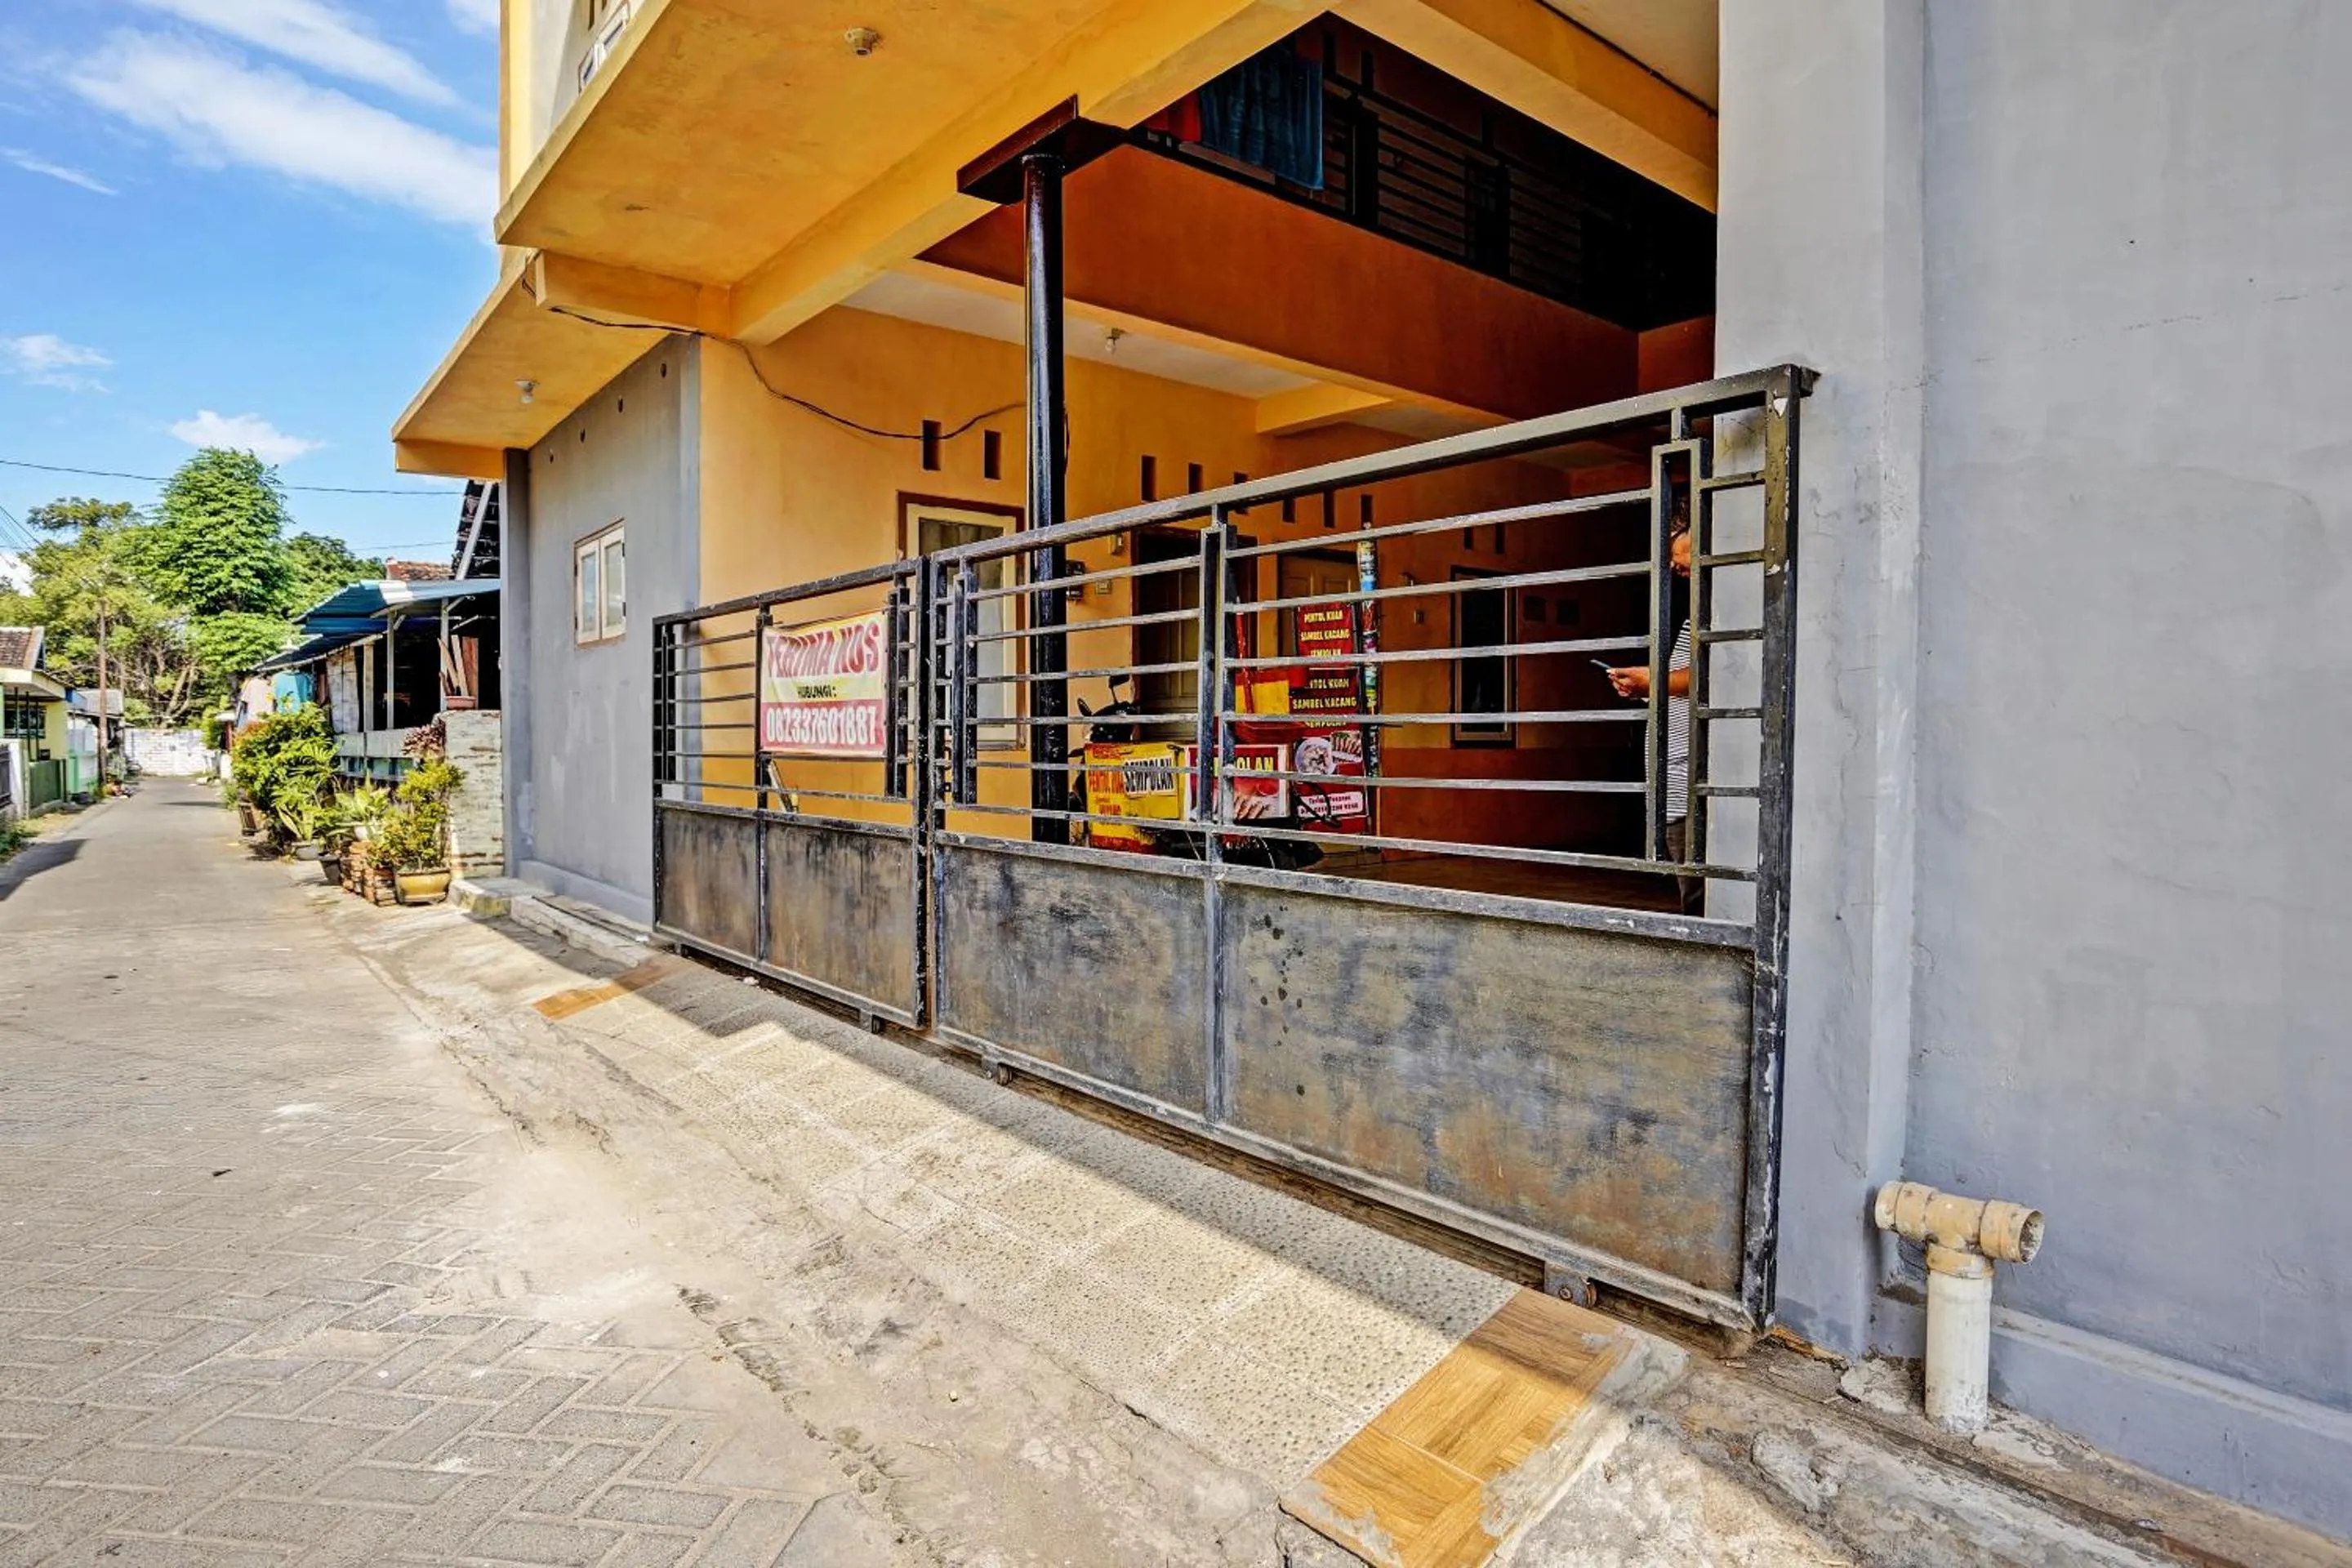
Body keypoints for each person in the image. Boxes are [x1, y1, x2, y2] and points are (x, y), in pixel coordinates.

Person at [1606, 505, 1701, 915]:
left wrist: (1654, 680)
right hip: (1677, 784)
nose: (1679, 575)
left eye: (1684, 566)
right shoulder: (1695, 618)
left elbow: (1711, 677)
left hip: (1695, 788)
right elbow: (1686, 681)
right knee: (1691, 894)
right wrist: (1646, 687)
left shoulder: (1724, 612)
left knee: (1700, 903)